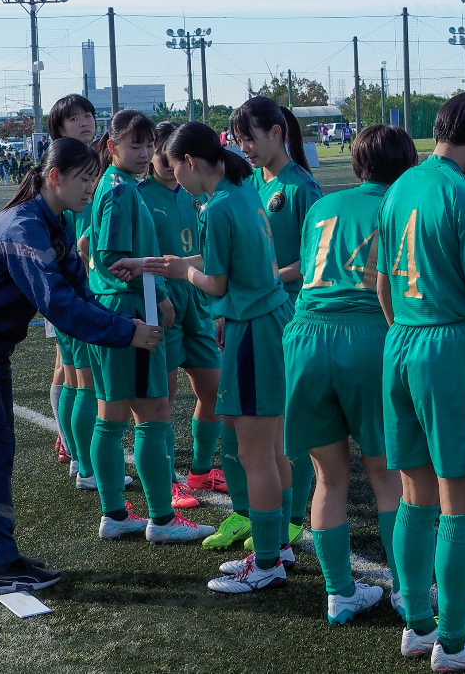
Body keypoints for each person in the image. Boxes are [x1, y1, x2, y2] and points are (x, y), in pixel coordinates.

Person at [0, 139, 162, 594]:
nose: (91, 188)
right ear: (55, 177)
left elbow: (80, 292)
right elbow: (57, 303)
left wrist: (125, 322)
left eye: (94, 179)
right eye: (84, 179)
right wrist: (127, 332)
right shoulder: (23, 226)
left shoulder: (50, 222)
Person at [377, 91, 465, 668]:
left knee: (414, 498)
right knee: (461, 505)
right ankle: (454, 644)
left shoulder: (400, 186)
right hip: (452, 347)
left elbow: (381, 283)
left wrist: (404, 334)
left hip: (402, 342)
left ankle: (417, 625)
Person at [140, 121, 296, 592]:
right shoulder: (242, 189)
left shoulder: (217, 207)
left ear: (188, 163)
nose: (175, 179)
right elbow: (233, 262)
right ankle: (279, 547)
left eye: (173, 168)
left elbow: (218, 284)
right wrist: (178, 264)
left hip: (253, 329)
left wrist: (185, 274)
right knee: (270, 446)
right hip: (271, 321)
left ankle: (267, 561)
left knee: (256, 453)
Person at [283, 124, 418, 625]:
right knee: (387, 475)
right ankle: (407, 590)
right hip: (365, 334)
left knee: (328, 477)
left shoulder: (322, 206)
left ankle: (339, 592)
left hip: (305, 334)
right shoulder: (400, 204)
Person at [87, 111, 210, 544]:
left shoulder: (118, 187)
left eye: (146, 146)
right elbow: (110, 258)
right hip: (129, 312)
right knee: (151, 414)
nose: (142, 155)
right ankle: (161, 518)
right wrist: (154, 293)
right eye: (133, 146)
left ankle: (117, 513)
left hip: (115, 311)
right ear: (112, 146)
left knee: (113, 415)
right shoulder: (120, 192)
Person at [230, 97, 322, 546]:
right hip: (253, 314)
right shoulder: (250, 182)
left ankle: (289, 519)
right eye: (239, 139)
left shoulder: (301, 186)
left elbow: (313, 262)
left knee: (288, 423)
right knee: (254, 423)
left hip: (289, 313)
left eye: (250, 137)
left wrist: (267, 276)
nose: (244, 147)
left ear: (277, 132)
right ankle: (260, 514)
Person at [138, 122, 227, 505]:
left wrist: (218, 307)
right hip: (163, 303)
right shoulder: (138, 196)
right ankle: (168, 480)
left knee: (215, 389)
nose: (161, 158)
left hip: (200, 300)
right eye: (157, 150)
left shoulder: (198, 194)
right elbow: (104, 251)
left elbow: (213, 256)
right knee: (165, 397)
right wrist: (157, 294)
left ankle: (201, 470)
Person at [44, 95, 98, 478]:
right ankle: (75, 447)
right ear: (59, 130)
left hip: (80, 279)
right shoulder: (59, 167)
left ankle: (75, 448)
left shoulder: (94, 162)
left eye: (88, 115)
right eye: (74, 118)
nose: (84, 122)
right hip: (69, 281)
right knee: (71, 369)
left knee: (69, 366)